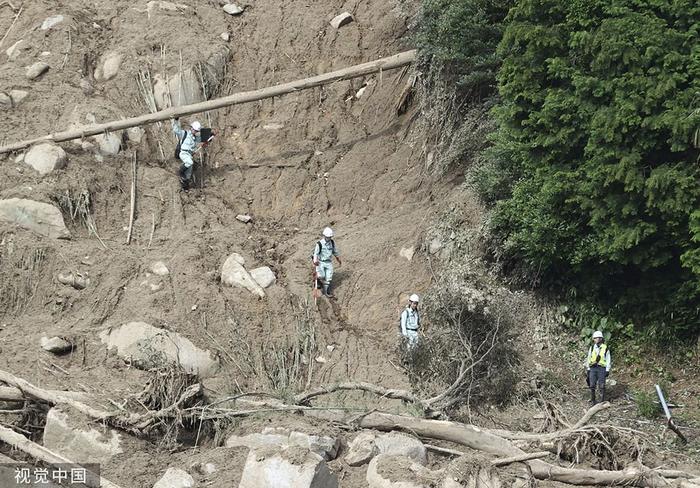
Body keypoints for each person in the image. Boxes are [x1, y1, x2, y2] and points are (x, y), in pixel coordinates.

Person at [171, 117, 203, 191]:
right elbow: (176, 130)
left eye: (196, 131)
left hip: (189, 155)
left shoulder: (195, 138)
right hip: (183, 153)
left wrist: (210, 134)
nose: (194, 131)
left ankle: (185, 187)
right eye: (193, 129)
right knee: (190, 162)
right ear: (191, 128)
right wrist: (176, 120)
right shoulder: (184, 133)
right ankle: (180, 171)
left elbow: (203, 138)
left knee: (188, 176)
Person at [312, 227, 341, 298]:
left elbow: (334, 251)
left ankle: (326, 291)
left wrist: (338, 258)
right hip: (321, 262)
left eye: (330, 237)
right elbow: (316, 253)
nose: (329, 238)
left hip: (328, 262)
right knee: (321, 276)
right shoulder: (319, 244)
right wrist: (315, 261)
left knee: (328, 277)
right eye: (328, 237)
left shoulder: (332, 243)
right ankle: (317, 282)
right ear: (324, 236)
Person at [585, 330, 611, 405]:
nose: (597, 339)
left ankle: (602, 401)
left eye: (598, 338)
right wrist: (588, 369)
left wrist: (607, 369)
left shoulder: (605, 348)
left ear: (601, 339)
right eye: (595, 338)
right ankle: (593, 400)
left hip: (601, 368)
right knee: (592, 384)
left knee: (602, 385)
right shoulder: (592, 348)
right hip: (593, 368)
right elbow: (589, 358)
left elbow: (608, 359)